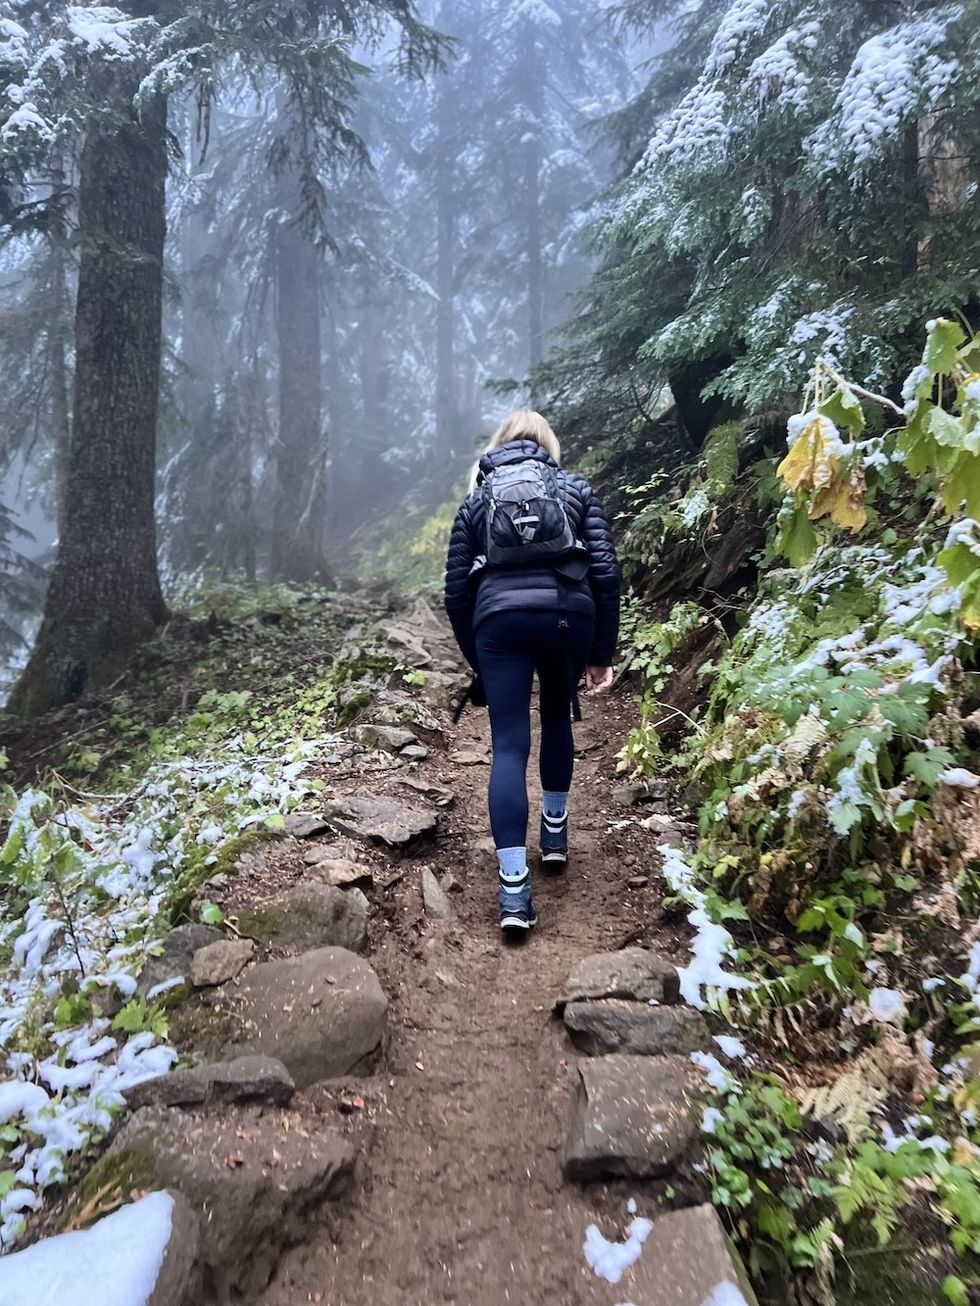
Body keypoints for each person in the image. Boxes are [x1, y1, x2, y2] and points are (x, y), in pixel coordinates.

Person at [444, 409, 620, 936]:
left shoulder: (477, 500)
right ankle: (556, 835)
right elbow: (606, 573)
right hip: (568, 617)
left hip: (499, 624)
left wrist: (479, 658)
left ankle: (514, 893)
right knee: (558, 718)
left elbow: (455, 593)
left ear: (501, 443)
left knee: (508, 745)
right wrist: (601, 652)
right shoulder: (575, 490)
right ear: (548, 445)